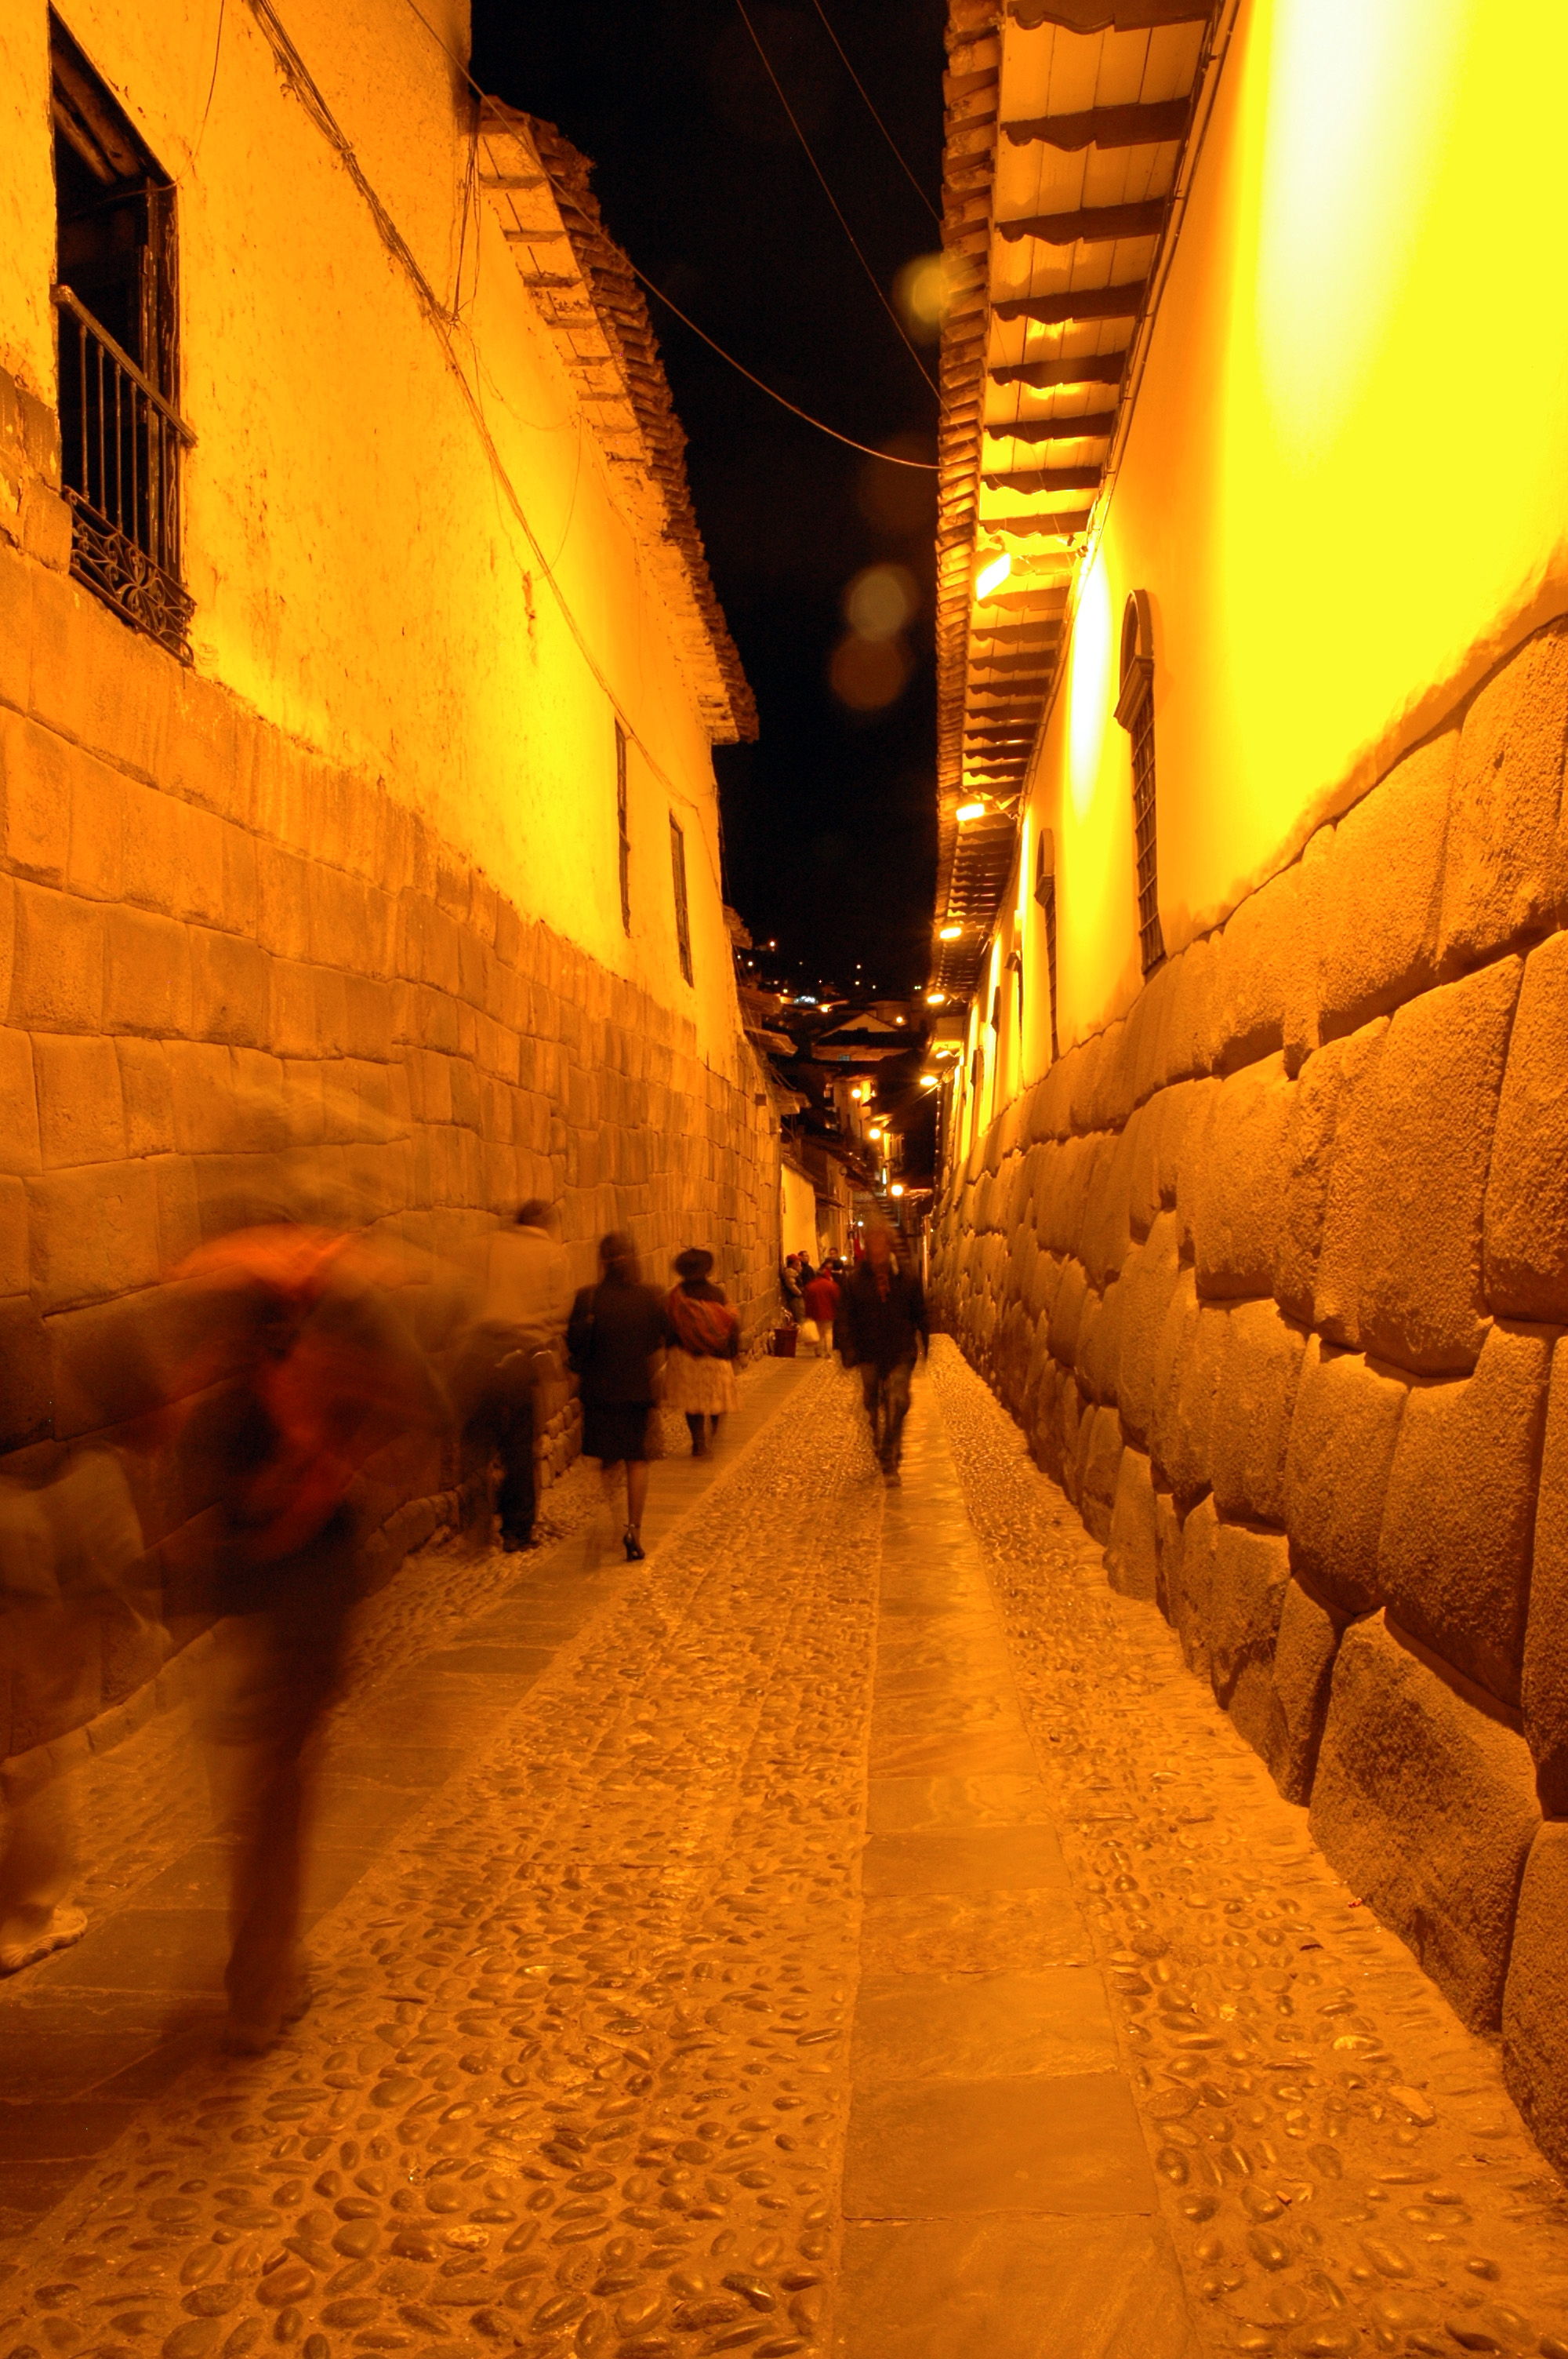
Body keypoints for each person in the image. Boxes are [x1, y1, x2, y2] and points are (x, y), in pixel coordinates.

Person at [173, 1223, 446, 2051]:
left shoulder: (229, 1364)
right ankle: (261, 1985)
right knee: (277, 1790)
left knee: (267, 1786)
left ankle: (264, 1972)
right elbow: (417, 1420)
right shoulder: (324, 1360)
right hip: (301, 1601)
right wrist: (324, 1459)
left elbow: (191, 1474)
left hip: (248, 1598)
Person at [451, 1200, 572, 1552]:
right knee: (519, 1446)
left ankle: (476, 1524)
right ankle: (516, 1531)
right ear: (545, 1223)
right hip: (521, 1357)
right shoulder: (552, 1254)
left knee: (478, 1442)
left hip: (480, 1354)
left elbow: (462, 1291)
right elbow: (559, 1310)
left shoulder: (487, 1245)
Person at [568, 1234, 673, 1561]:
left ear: (602, 1261)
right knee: (636, 1460)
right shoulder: (650, 1297)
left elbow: (573, 1344)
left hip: (598, 1392)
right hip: (635, 1390)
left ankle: (615, 1523)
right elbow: (660, 1338)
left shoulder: (588, 1298)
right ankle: (634, 1530)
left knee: (609, 1460)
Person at [843, 1225, 929, 1484]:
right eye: (873, 1245)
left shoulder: (907, 1278)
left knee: (899, 1401)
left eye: (881, 1244)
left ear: (889, 1246)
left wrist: (924, 1341)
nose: (877, 1249)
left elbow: (920, 1311)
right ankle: (876, 1432)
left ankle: (890, 1456)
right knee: (872, 1399)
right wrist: (848, 1348)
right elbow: (845, 1317)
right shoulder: (855, 1281)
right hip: (868, 1350)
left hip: (900, 1349)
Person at [664, 1248, 740, 1455]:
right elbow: (731, 1323)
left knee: (693, 1403)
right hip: (716, 1355)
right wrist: (732, 1351)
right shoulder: (717, 1294)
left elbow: (669, 1326)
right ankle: (713, 1431)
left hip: (685, 1354)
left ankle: (698, 1441)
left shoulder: (675, 1296)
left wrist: (672, 1348)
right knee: (716, 1399)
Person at [801, 1262, 840, 1360]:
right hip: (829, 1312)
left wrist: (807, 1314)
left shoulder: (811, 1286)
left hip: (815, 1313)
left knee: (818, 1332)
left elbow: (807, 1301)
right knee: (828, 1332)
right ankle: (828, 1352)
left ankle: (818, 1351)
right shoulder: (831, 1285)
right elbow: (836, 1299)